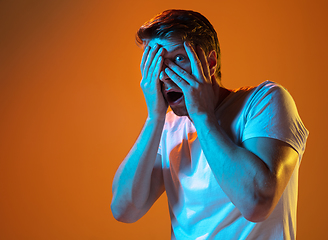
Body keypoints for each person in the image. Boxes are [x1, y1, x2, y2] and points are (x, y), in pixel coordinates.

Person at [111, 9, 308, 240]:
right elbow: (124, 210)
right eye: (156, 63)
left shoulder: (264, 101)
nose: (164, 75)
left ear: (210, 62)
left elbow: (257, 203)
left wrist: (202, 116)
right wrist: (155, 118)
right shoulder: (167, 128)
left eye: (178, 59)